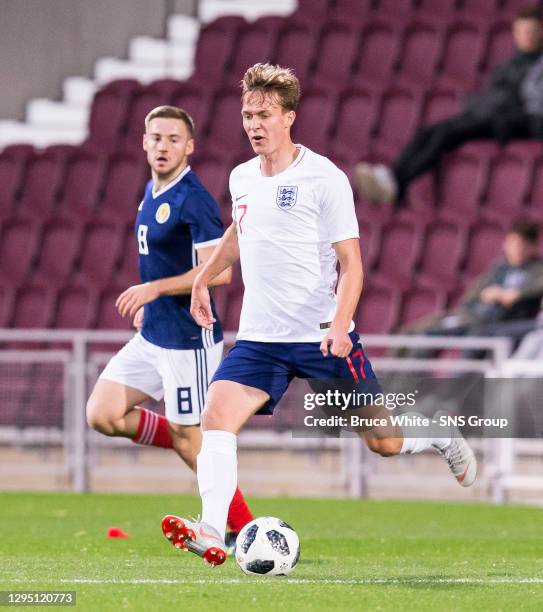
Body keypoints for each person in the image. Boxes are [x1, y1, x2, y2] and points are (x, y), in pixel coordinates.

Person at [160, 64, 478, 567]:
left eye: (263, 114)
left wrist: (338, 324)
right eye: (247, 114)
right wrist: (202, 277)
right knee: (216, 416)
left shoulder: (323, 177)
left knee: (385, 442)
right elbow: (241, 231)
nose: (253, 124)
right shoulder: (241, 177)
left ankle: (437, 431)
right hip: (262, 339)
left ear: (288, 117)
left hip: (322, 337)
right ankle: (212, 530)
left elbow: (352, 265)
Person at [86, 105, 253, 546]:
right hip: (153, 333)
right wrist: (150, 304)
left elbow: (219, 273)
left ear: (189, 147)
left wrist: (154, 291)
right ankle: (183, 435)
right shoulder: (152, 188)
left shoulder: (192, 198)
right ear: (144, 142)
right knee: (102, 414)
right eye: (156, 138)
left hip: (187, 340)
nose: (163, 146)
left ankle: (245, 529)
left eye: (173, 140)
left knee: (192, 441)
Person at [354, 5, 543, 206]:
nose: (525, 36)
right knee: (426, 131)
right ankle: (391, 176)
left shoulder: (537, 66)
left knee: (445, 135)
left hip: (505, 120)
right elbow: (493, 95)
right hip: (484, 113)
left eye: (530, 31)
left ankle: (397, 182)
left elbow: (527, 104)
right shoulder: (508, 63)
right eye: (521, 31)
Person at [402, 220, 543, 350]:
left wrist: (506, 294)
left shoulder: (537, 269)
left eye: (520, 244)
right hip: (472, 315)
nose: (515, 249)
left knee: (429, 336)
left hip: (496, 322)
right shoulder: (498, 267)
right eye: (511, 243)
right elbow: (472, 295)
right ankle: (395, 375)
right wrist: (487, 294)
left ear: (533, 247)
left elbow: (527, 291)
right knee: (412, 332)